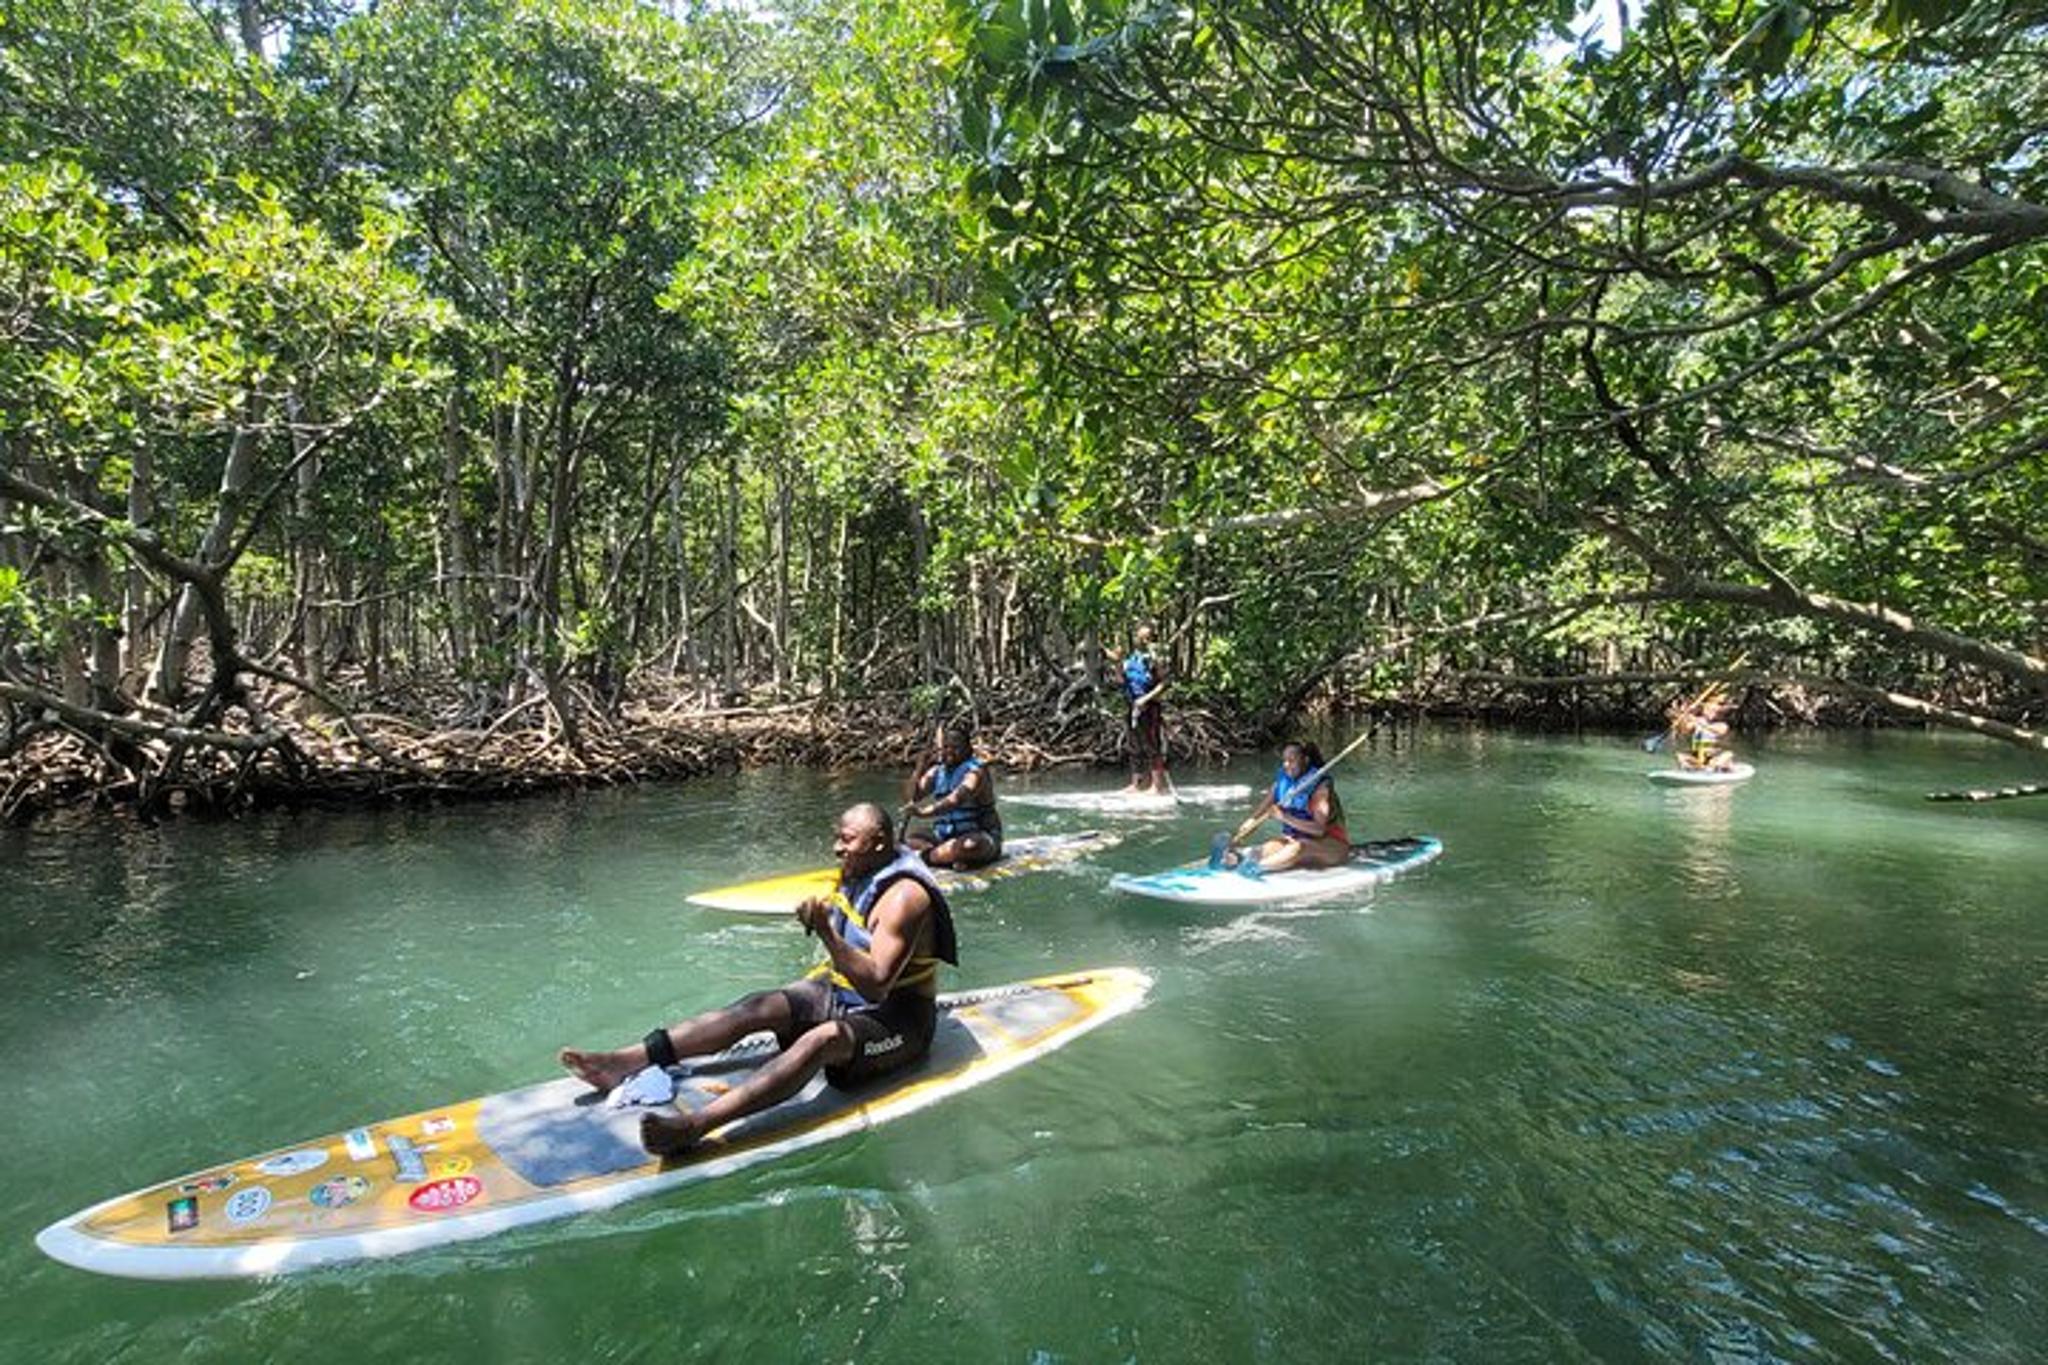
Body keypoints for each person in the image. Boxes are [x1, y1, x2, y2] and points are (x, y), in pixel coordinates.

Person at [559, 803, 958, 1157]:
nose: (837, 847)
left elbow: (877, 985)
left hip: (900, 1019)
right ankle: (623, 1062)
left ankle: (696, 1126)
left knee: (823, 1040)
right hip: (842, 993)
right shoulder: (860, 868)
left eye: (847, 839)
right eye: (837, 837)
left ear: (878, 842)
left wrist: (826, 932)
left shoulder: (905, 898)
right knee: (759, 1005)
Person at [1229, 741, 1352, 874]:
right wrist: (1250, 823)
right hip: (1294, 840)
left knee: (1300, 847)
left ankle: (1254, 868)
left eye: (1292, 760)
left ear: (1305, 760)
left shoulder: (1320, 789)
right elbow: (1263, 808)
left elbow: (1319, 830)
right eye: (1285, 760)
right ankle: (1236, 858)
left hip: (1331, 846)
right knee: (1271, 846)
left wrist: (1284, 817)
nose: (1287, 765)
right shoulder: (1283, 781)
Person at [903, 723, 1002, 869]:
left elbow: (956, 800)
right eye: (946, 747)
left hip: (979, 835)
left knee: (970, 846)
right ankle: (948, 857)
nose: (949, 751)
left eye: (956, 747)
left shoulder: (976, 772)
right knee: (908, 840)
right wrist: (918, 769)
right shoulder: (937, 771)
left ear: (968, 749)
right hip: (943, 836)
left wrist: (923, 813)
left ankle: (929, 857)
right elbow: (911, 796)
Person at [1119, 626, 1170, 796]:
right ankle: (1137, 783)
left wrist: (1145, 699)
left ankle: (1158, 785)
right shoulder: (1131, 658)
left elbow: (1164, 683)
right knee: (1134, 745)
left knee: (1152, 745)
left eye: (1147, 638)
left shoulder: (1156, 658)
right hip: (1132, 706)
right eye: (1141, 638)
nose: (1143, 641)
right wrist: (1116, 663)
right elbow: (1122, 679)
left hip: (1149, 707)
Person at [1675, 697, 1736, 771]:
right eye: (1708, 710)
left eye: (1714, 712)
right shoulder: (1697, 721)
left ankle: (1722, 767)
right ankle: (1693, 770)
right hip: (1697, 755)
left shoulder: (1722, 725)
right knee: (1679, 756)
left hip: (1712, 755)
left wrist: (1696, 720)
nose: (1711, 713)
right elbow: (1685, 729)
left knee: (1728, 754)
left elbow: (1716, 730)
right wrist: (1684, 717)